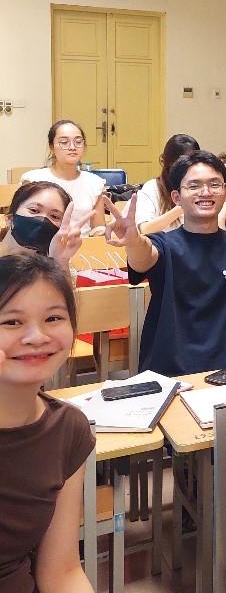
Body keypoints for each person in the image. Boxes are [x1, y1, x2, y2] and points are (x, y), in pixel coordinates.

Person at [105, 150, 226, 376]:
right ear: (177, 197)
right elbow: (143, 258)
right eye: (194, 186)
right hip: (172, 375)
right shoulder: (164, 244)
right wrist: (133, 240)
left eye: (214, 184)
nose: (205, 192)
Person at [0, 252, 96, 593]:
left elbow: (62, 571)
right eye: (11, 322)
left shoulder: (69, 429)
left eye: (54, 318)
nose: (36, 336)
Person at [21, 120, 106, 236]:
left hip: (82, 246)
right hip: (42, 249)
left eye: (78, 141)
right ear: (52, 147)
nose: (72, 147)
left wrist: (106, 233)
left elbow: (98, 227)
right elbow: (21, 225)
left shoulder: (94, 182)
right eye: (64, 142)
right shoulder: (33, 179)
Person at [0, 182, 90, 270]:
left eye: (54, 216)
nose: (43, 220)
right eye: (34, 210)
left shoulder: (51, 265)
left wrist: (62, 262)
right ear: (10, 218)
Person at [135, 133, 200, 234]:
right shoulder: (152, 188)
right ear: (169, 163)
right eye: (185, 163)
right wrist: (183, 205)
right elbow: (145, 229)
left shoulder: (203, 189)